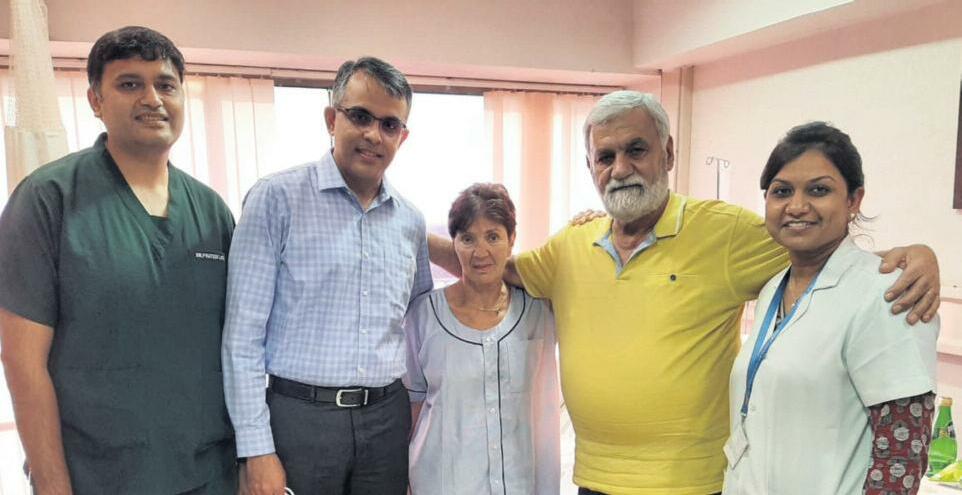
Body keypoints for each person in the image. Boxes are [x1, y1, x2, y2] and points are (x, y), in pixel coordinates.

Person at [428, 90, 940, 494]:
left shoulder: (726, 233)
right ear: (590, 168)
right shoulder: (570, 247)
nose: (620, 168)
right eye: (605, 156)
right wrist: (412, 235)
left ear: (668, 152)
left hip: (692, 485)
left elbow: (817, 247)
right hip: (594, 480)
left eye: (636, 149)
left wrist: (915, 255)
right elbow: (490, 266)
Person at [0, 26, 237, 494]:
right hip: (97, 477)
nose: (152, 99)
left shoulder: (212, 211)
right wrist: (51, 484)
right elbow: (22, 362)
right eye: (130, 84)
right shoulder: (48, 199)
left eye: (166, 85)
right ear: (95, 100)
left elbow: (235, 349)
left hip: (209, 471)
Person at [222, 56, 433, 495]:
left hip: (386, 421)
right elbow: (242, 338)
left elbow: (419, 326)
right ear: (331, 119)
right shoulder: (276, 199)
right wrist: (256, 450)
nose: (373, 134)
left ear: (403, 136)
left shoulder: (410, 221)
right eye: (360, 116)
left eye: (389, 124)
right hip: (300, 420)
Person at [722, 122, 938, 495]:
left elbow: (902, 452)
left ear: (854, 200)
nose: (797, 206)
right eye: (782, 191)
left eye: (819, 190)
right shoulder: (774, 288)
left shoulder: (888, 292)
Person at [404, 183, 560, 495]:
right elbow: (412, 408)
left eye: (493, 236)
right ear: (454, 243)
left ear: (511, 240)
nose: (480, 252)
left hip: (520, 485)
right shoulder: (424, 315)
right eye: (468, 238)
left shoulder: (538, 313)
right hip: (442, 484)